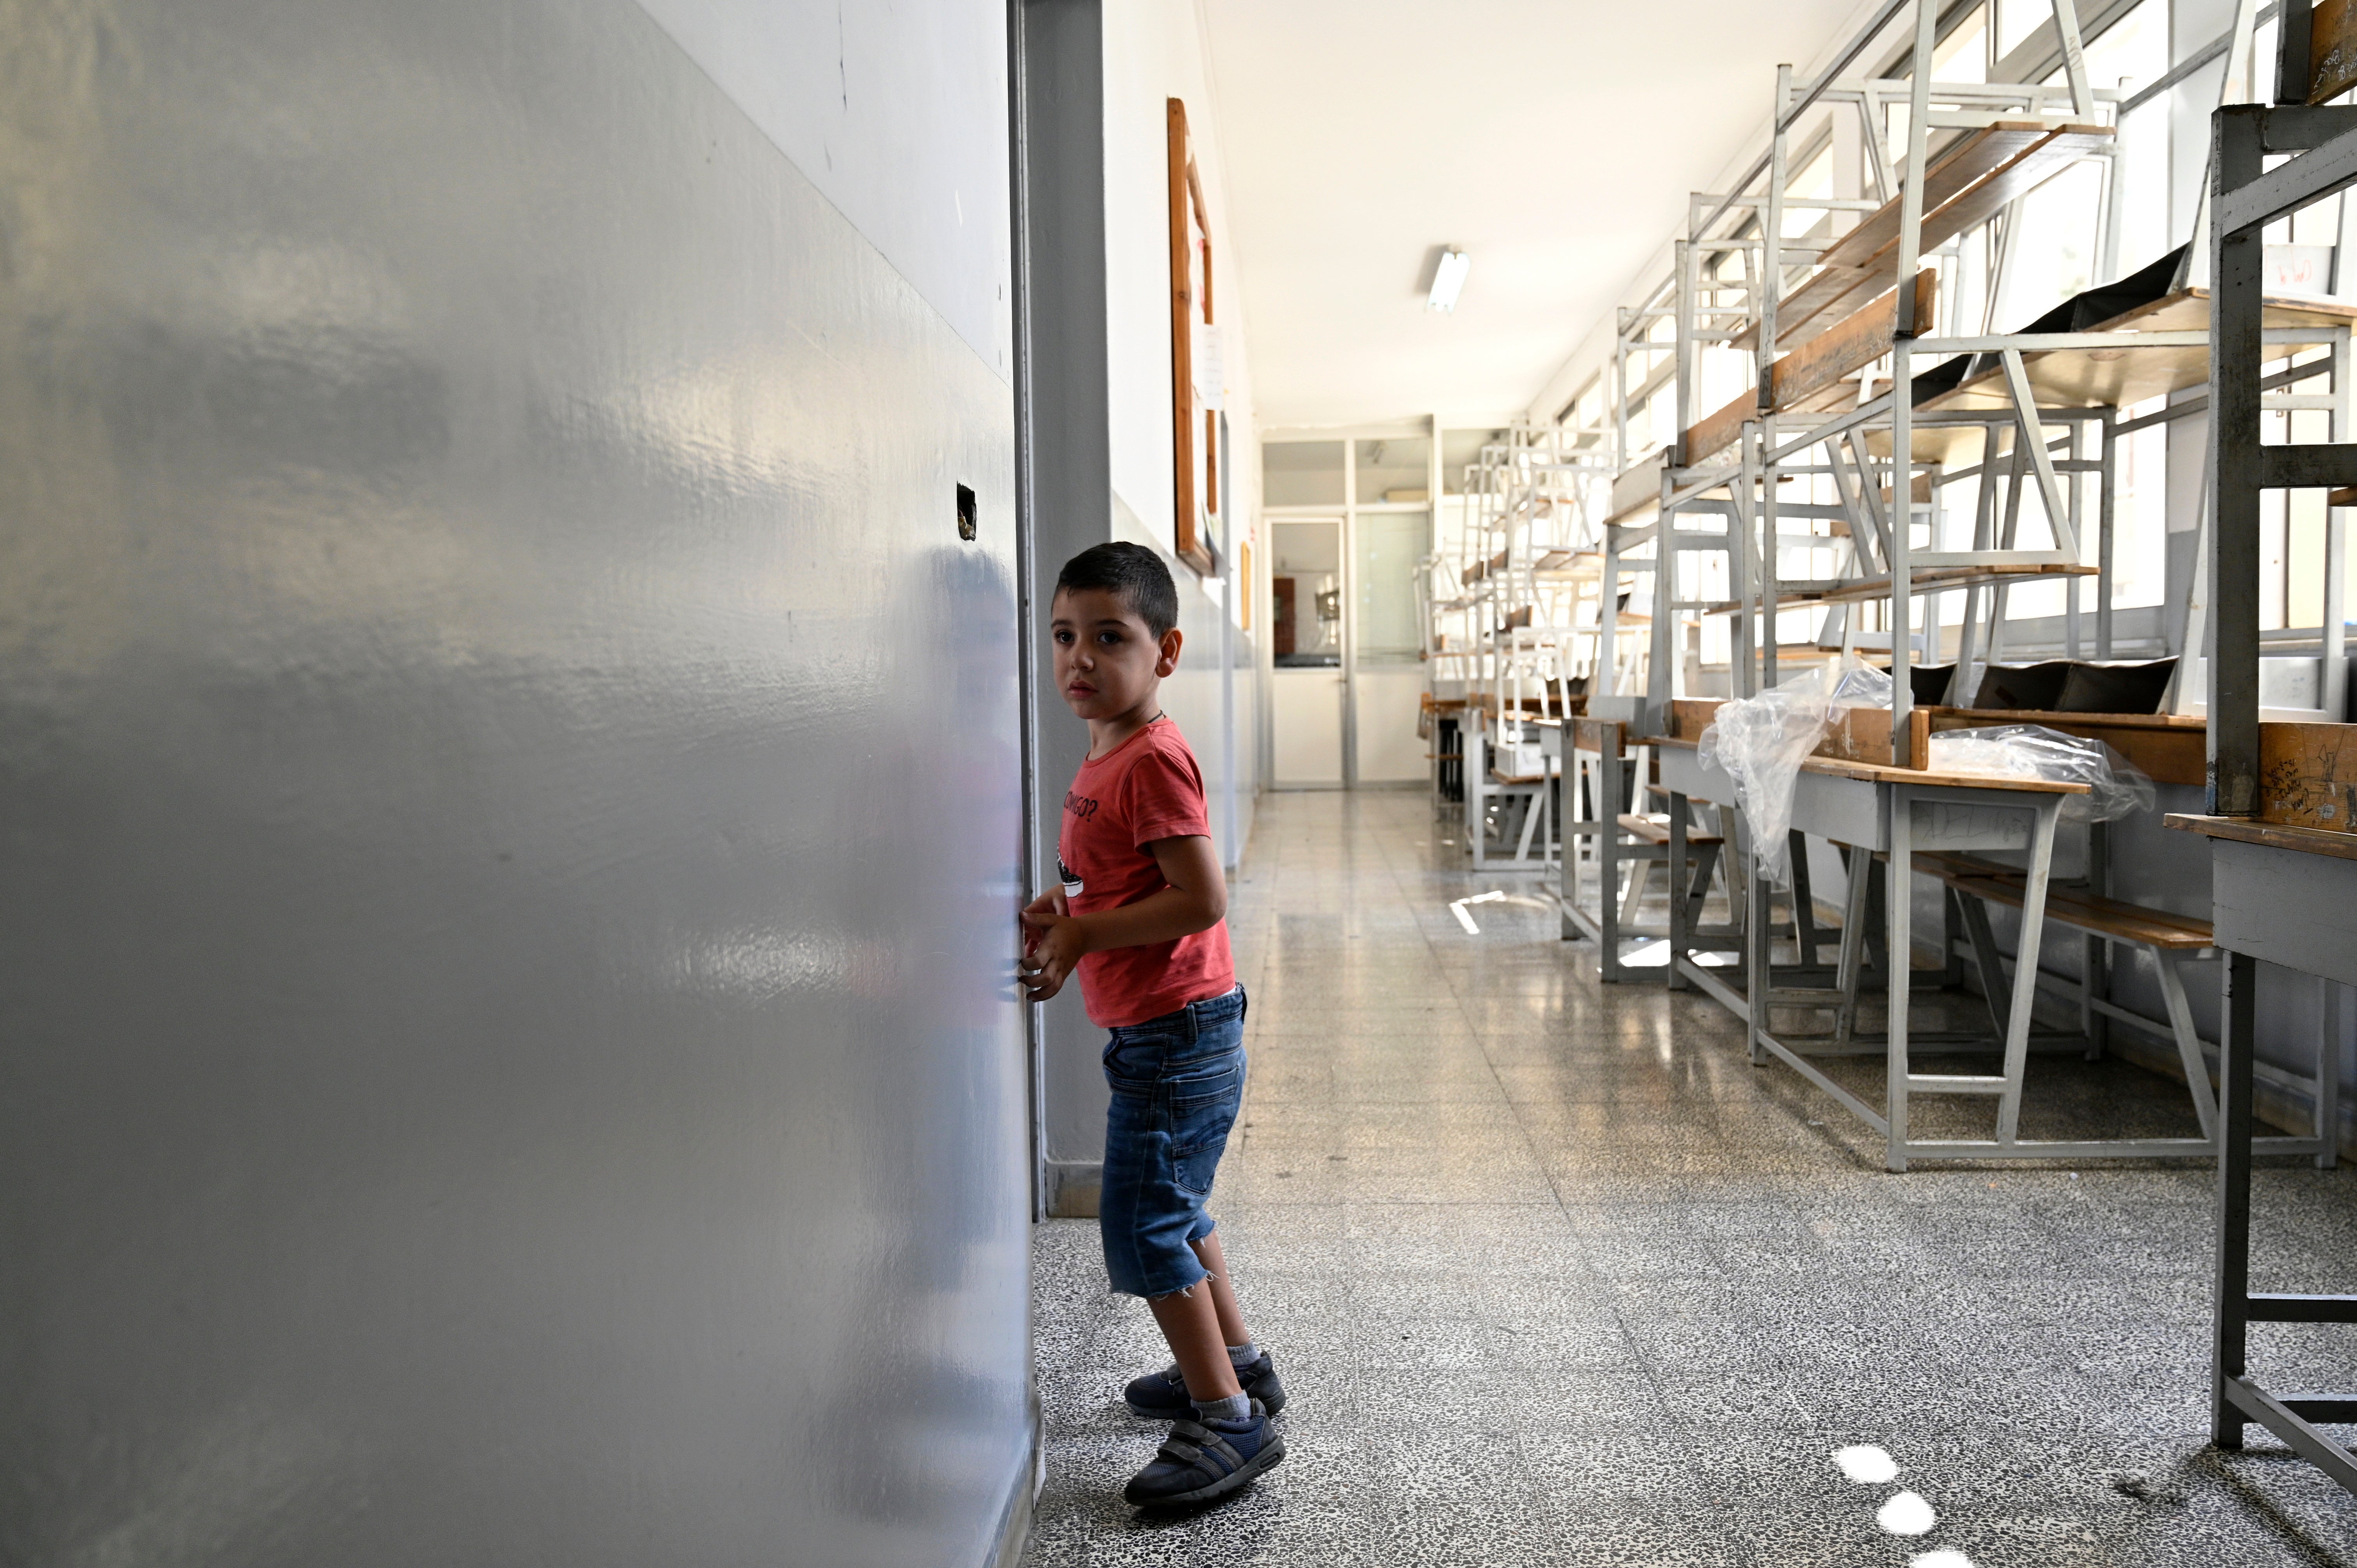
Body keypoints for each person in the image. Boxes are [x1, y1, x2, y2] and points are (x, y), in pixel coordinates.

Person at [1019, 541, 1286, 1509]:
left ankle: (1227, 1423)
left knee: (1143, 1229)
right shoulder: (1107, 751)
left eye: (1108, 638)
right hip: (1166, 1033)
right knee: (1184, 1212)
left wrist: (1087, 932)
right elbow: (1120, 876)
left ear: (1166, 651)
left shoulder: (1152, 759)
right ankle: (1241, 1363)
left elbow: (1201, 898)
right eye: (1064, 637)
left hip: (1180, 1035)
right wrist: (1071, 904)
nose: (1079, 660)